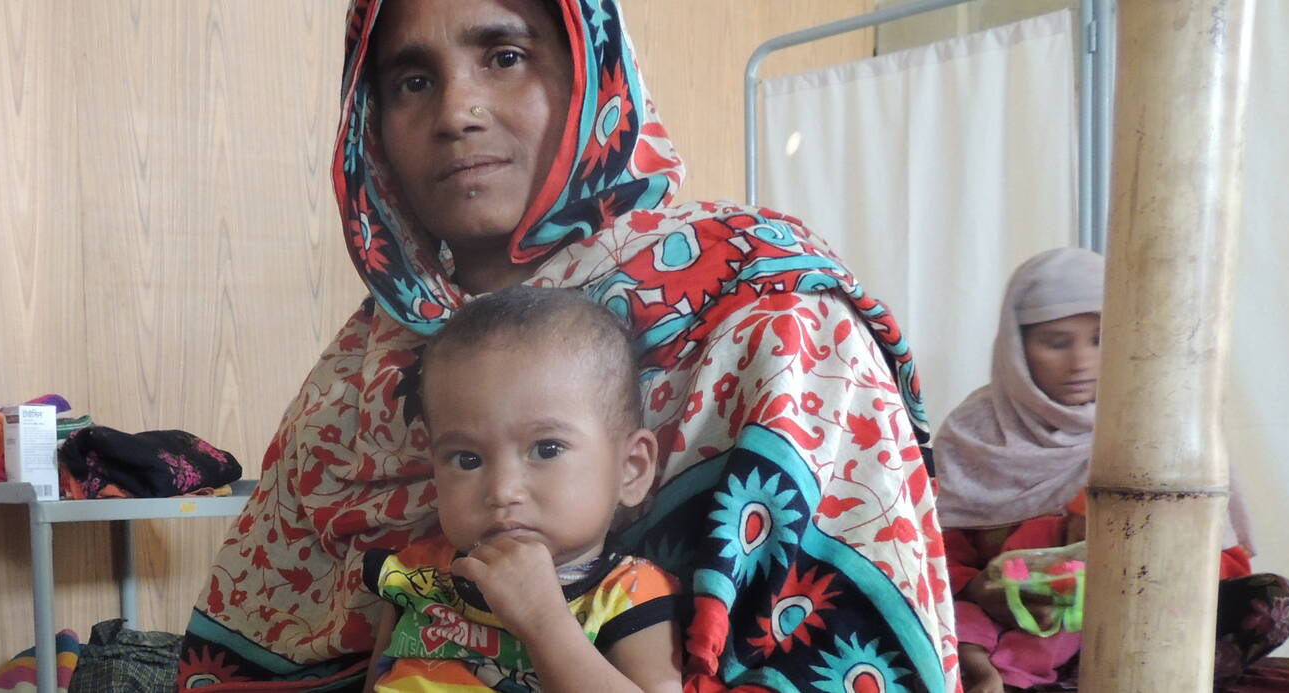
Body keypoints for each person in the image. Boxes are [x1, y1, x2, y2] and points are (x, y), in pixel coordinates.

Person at [179, 0, 959, 690]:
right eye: (412, 81)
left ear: (591, 71)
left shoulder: (770, 318)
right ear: (371, 127)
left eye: (505, 56)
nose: (458, 109)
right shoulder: (352, 382)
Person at [934, 248, 1289, 692]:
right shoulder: (973, 434)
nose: (1081, 362)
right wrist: (986, 590)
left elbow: (1220, 562)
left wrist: (1125, 576)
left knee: (1272, 601)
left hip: (1141, 631)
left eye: (1101, 339)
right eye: (1056, 342)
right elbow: (933, 558)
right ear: (1016, 346)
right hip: (1005, 622)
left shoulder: (1163, 426)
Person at [361, 286, 679, 692]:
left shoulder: (627, 593)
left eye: (547, 449)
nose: (503, 490)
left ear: (631, 470)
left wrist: (544, 621)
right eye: (467, 459)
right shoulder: (415, 573)